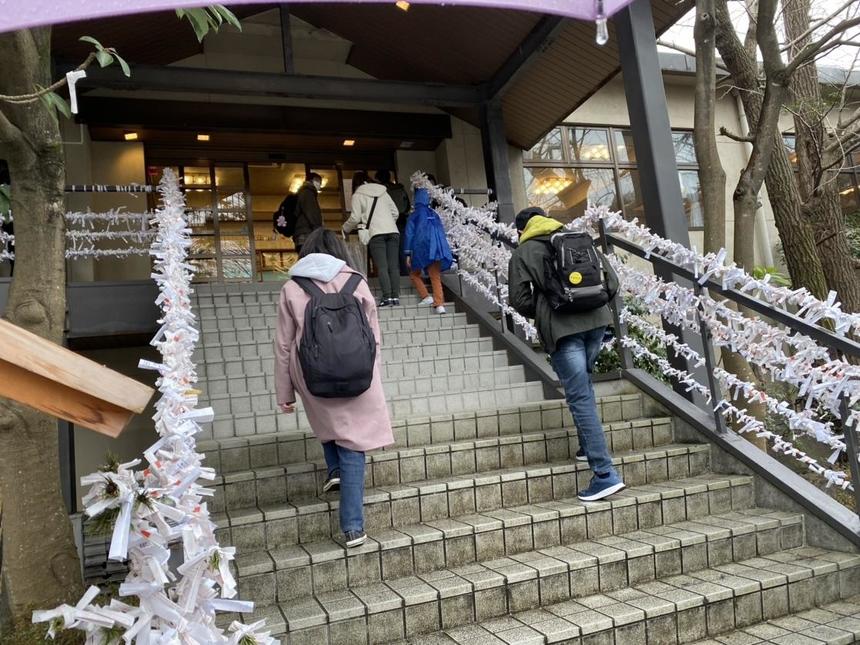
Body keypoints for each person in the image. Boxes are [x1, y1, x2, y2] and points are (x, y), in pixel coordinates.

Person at [275, 228, 393, 547]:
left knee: (329, 419)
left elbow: (284, 345)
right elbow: (374, 336)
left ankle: (334, 470)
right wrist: (373, 373)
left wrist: (285, 393)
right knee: (353, 442)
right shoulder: (357, 281)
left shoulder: (291, 287)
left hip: (312, 372)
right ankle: (353, 527)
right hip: (358, 370)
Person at [508, 207, 625, 502]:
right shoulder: (578, 238)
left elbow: (519, 300)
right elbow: (612, 283)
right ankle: (588, 448)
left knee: (580, 396)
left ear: (521, 230)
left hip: (563, 331)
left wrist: (551, 307)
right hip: (597, 324)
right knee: (583, 387)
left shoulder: (524, 251)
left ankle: (604, 474)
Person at [343, 171, 401, 306]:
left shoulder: (357, 195)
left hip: (376, 233)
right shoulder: (383, 191)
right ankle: (395, 297)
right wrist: (388, 223)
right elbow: (395, 212)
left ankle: (387, 297)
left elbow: (355, 218)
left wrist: (345, 228)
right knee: (394, 266)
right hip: (393, 231)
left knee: (382, 266)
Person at [403, 187, 453, 314]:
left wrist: (408, 253)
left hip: (420, 249)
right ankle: (440, 304)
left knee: (414, 274)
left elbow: (409, 235)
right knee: (435, 277)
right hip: (436, 249)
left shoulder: (414, 216)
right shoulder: (434, 214)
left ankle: (426, 297)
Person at [375, 169, 411, 276]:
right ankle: (405, 273)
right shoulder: (400, 188)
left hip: (386, 224)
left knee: (389, 251)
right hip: (401, 221)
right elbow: (407, 206)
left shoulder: (380, 191)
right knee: (402, 249)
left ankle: (393, 274)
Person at [292, 172, 324, 255]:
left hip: (301, 234)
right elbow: (312, 214)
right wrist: (319, 231)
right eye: (319, 182)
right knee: (312, 259)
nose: (320, 185)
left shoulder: (302, 192)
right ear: (314, 180)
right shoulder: (308, 193)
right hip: (307, 234)